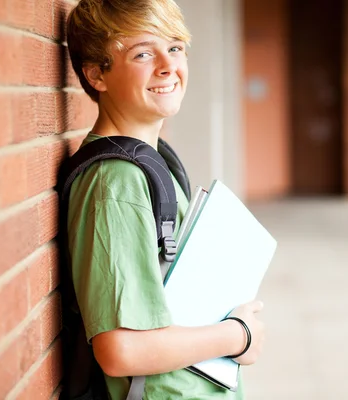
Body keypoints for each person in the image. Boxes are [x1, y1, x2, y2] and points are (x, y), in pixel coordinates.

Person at [65, 1, 265, 399]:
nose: (167, 66)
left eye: (174, 47)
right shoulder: (116, 183)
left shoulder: (153, 162)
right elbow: (121, 350)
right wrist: (236, 335)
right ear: (96, 74)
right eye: (142, 53)